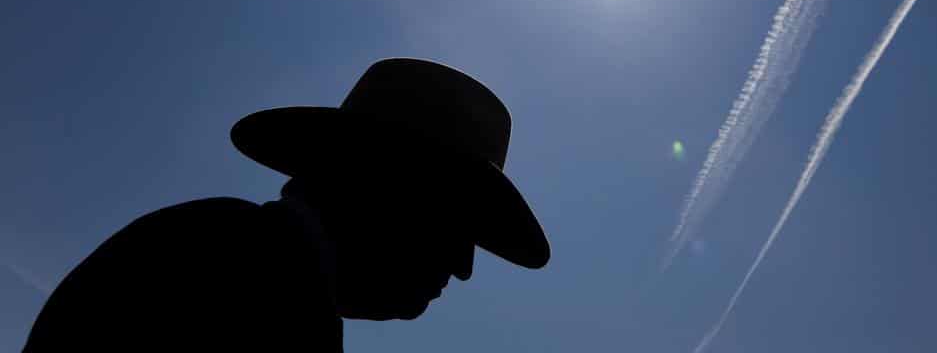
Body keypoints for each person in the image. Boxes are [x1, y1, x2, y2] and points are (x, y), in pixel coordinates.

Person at [23, 58, 550, 352]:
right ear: (382, 185)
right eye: (455, 224)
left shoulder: (231, 258)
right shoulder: (234, 277)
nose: (463, 268)